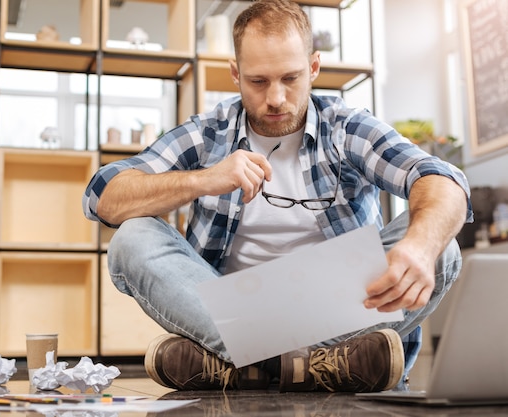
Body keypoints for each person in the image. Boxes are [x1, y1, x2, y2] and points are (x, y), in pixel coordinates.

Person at [83, 0, 472, 393]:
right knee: (132, 238)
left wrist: (421, 248)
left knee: (440, 244)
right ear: (235, 74)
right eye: (258, 81)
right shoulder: (208, 134)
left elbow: (442, 179)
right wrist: (202, 180)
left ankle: (242, 367)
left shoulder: (347, 127)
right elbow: (105, 196)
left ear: (314, 67)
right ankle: (320, 367)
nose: (275, 98)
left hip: (336, 310)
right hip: (226, 313)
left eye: (291, 78)